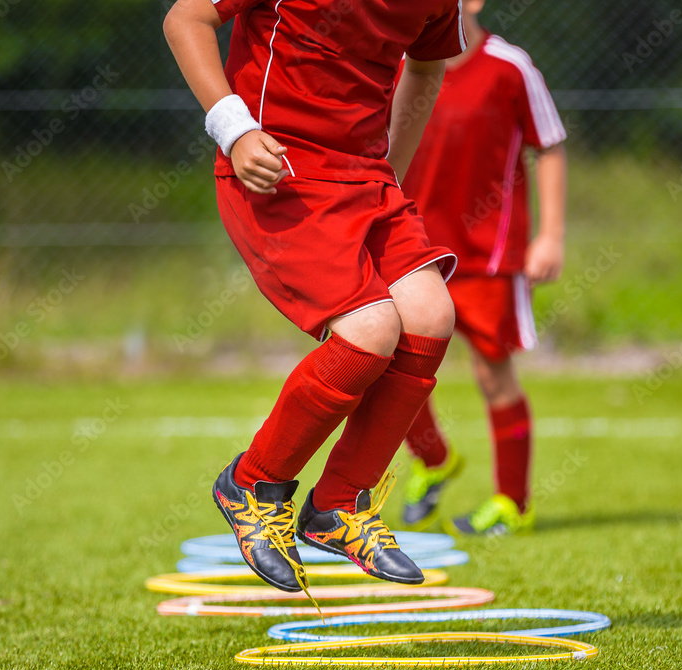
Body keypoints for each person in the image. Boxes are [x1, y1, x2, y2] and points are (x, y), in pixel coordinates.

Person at [163, 0, 465, 594]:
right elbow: (185, 19)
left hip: (366, 177)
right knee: (372, 330)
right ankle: (251, 484)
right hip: (279, 170)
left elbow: (428, 68)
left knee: (431, 314)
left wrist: (389, 171)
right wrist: (236, 130)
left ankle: (338, 506)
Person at [396, 0, 567, 536]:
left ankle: (513, 503)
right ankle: (434, 458)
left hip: (488, 259)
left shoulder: (510, 66)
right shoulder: (395, 66)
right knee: (383, 362)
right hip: (411, 250)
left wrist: (551, 236)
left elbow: (551, 147)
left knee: (493, 375)